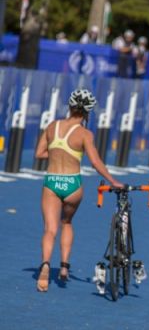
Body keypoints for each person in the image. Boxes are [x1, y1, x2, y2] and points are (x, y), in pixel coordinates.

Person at [34, 89, 123, 292]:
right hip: (73, 184)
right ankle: (64, 267)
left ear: (70, 106)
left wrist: (57, 151)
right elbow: (95, 162)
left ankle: (46, 265)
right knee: (67, 222)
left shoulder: (52, 126)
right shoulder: (84, 134)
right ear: (88, 113)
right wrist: (112, 180)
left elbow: (39, 153)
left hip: (53, 181)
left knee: (50, 229)